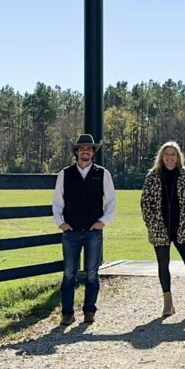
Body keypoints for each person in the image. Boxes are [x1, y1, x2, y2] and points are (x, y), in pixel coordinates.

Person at [52, 133, 116, 326]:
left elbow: (111, 202)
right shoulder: (65, 174)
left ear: (93, 152)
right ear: (76, 152)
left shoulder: (102, 174)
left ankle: (89, 311)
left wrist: (103, 221)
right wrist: (60, 223)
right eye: (82, 148)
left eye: (89, 148)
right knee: (69, 273)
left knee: (92, 273)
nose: (85, 151)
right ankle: (67, 313)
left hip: (93, 230)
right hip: (71, 231)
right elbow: (57, 201)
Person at [140, 141, 185, 317]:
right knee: (163, 264)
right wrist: (152, 223)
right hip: (160, 228)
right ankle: (168, 303)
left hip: (183, 228)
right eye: (166, 154)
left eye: (173, 154)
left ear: (178, 157)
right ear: (161, 157)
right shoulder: (152, 176)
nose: (169, 158)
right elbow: (145, 203)